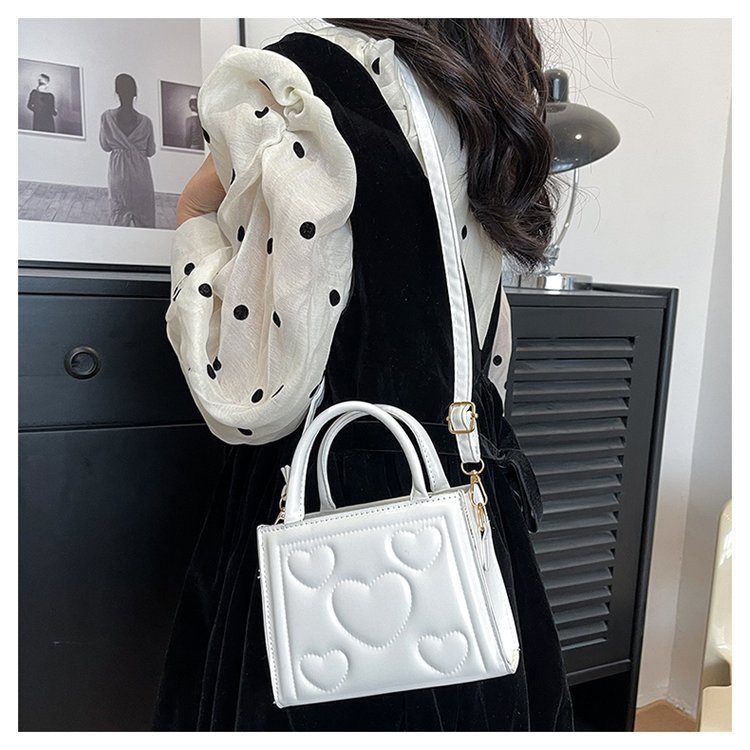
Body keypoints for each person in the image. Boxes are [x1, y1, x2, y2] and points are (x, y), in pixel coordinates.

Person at [155, 19, 574, 731]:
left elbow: (250, 397)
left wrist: (194, 217)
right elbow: (486, 354)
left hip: (337, 510)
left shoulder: (300, 90)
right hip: (468, 503)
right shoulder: (483, 101)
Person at [99, 73, 156, 228]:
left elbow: (105, 146)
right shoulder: (146, 122)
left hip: (118, 173)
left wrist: (120, 145)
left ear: (117, 92)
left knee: (118, 216)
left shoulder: (106, 117)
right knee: (145, 220)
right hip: (141, 174)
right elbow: (151, 151)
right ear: (135, 94)